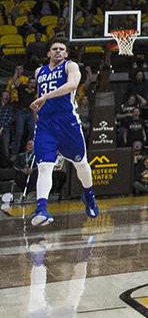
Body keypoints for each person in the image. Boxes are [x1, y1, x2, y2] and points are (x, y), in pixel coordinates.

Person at [29, 40, 100, 227]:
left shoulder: (71, 66)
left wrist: (45, 97)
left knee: (81, 163)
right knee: (44, 166)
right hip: (45, 124)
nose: (58, 51)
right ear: (48, 53)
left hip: (67, 122)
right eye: (54, 49)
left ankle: (89, 195)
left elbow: (72, 85)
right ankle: (41, 208)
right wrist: (38, 109)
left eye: (61, 49)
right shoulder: (39, 72)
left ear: (66, 53)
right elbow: (39, 97)